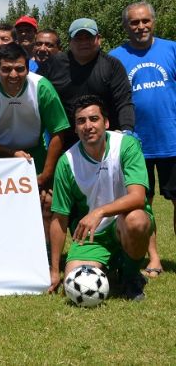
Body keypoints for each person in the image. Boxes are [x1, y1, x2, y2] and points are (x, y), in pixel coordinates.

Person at [49, 95, 152, 301]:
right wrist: (54, 270)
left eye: (94, 119)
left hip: (123, 223)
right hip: (92, 237)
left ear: (106, 123)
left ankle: (130, 276)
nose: (88, 126)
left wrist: (99, 211)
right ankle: (114, 264)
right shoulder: (66, 162)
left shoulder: (126, 145)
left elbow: (138, 197)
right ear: (75, 129)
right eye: (81, 121)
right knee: (73, 283)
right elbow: (59, 218)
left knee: (137, 220)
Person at [109, 1, 174, 278]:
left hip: (172, 141)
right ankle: (153, 258)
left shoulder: (171, 49)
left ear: (153, 21)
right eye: (134, 22)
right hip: (134, 144)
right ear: (126, 26)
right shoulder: (115, 57)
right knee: (141, 204)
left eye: (145, 20)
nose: (140, 26)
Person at [0, 42, 69, 186]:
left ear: (28, 69)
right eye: (6, 69)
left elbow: (58, 131)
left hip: (33, 156)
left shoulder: (42, 87)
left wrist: (46, 175)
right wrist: (11, 153)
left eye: (19, 69)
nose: (13, 75)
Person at [36, 18, 135, 149]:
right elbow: (35, 98)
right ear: (70, 42)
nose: (84, 43)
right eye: (78, 38)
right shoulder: (52, 64)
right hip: (64, 143)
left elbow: (124, 102)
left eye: (89, 38)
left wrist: (127, 129)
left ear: (98, 39)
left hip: (105, 142)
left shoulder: (112, 66)